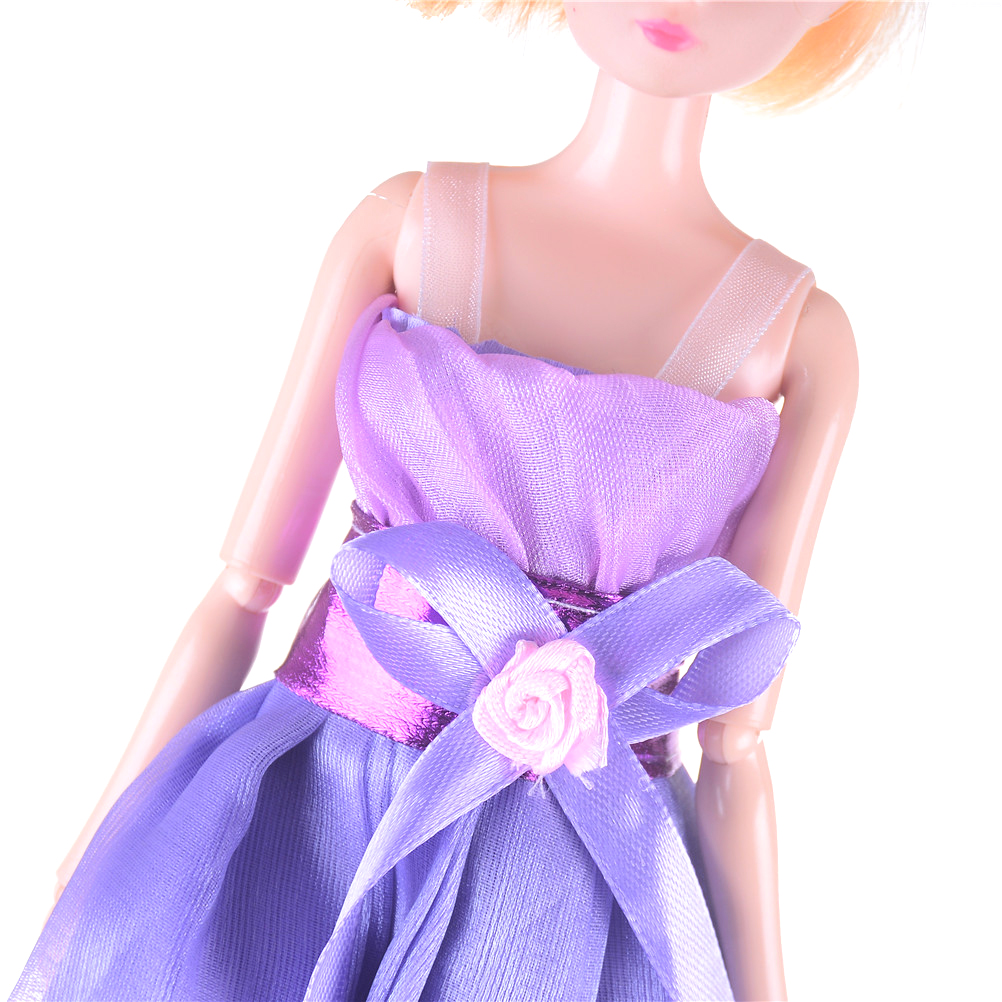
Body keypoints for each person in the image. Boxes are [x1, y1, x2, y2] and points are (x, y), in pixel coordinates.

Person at [10, 3, 926, 1001]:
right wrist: (105, 841)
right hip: (318, 815)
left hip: (565, 894)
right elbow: (244, 585)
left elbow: (736, 738)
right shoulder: (409, 226)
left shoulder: (794, 338)